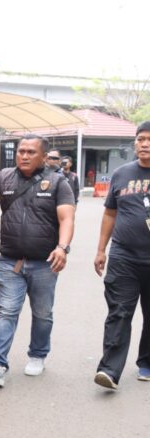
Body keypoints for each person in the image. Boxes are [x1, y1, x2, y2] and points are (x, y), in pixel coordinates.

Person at [0, 134, 75, 387]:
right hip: (10, 260)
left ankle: (38, 354)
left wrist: (62, 248)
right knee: (7, 311)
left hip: (45, 263)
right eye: (21, 151)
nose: (24, 156)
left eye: (31, 152)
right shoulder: (4, 177)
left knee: (42, 313)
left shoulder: (58, 182)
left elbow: (66, 218)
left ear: (44, 157)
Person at [93, 121, 150, 390]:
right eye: (141, 139)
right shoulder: (121, 174)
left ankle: (146, 362)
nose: (145, 144)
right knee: (119, 312)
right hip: (123, 256)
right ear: (135, 143)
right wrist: (101, 249)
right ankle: (109, 370)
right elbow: (110, 213)